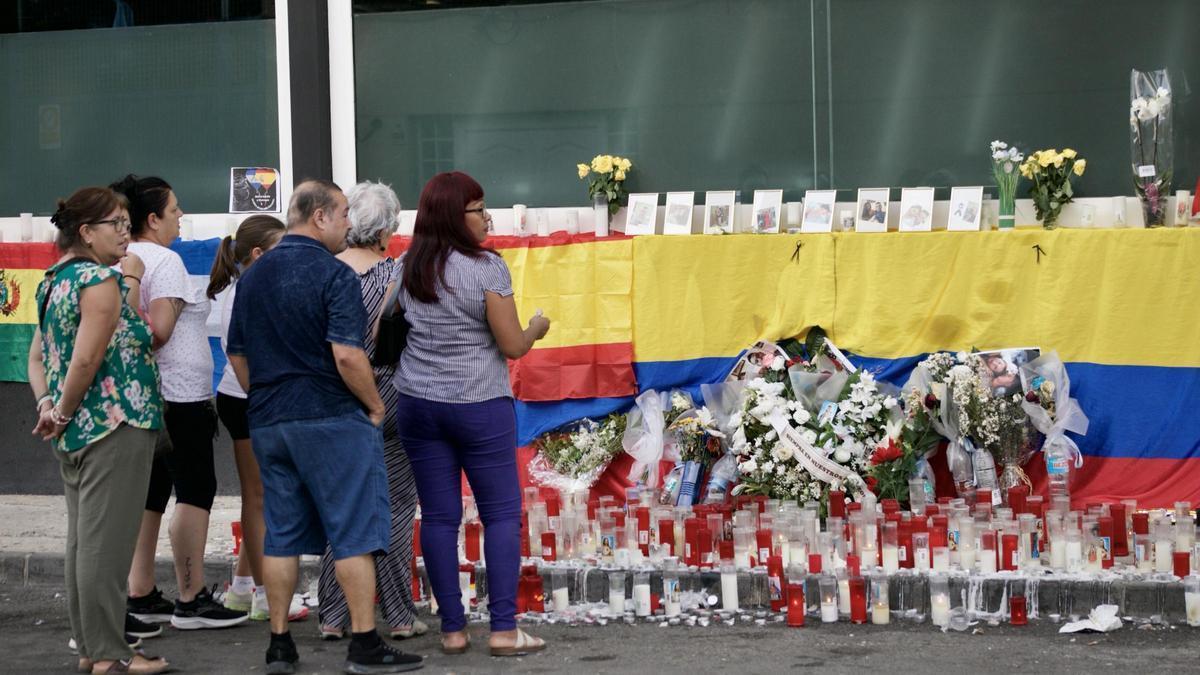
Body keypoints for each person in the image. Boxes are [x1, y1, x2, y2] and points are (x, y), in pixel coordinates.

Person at [227, 180, 423, 674]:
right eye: (340, 216)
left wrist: (266, 395)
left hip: (270, 421)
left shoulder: (253, 274)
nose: (346, 226)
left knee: (283, 535)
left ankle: (279, 643)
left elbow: (237, 352)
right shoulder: (333, 275)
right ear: (318, 217)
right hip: (331, 418)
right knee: (354, 531)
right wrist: (374, 406)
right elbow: (347, 353)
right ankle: (363, 642)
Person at [390, 171, 549, 657]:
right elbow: (512, 344)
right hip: (479, 404)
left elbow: (385, 330)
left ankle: (453, 631)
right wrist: (537, 327)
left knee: (439, 518)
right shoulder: (486, 267)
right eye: (479, 208)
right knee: (502, 515)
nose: (487, 217)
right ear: (454, 216)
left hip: (418, 403)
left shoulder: (407, 265)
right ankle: (503, 629)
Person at [27, 187, 169, 675]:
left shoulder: (54, 280)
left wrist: (50, 406)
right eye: (116, 224)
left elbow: (39, 357)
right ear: (86, 232)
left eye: (128, 222)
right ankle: (110, 654)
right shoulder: (98, 282)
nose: (126, 231)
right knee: (105, 551)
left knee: (83, 545)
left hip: (77, 431)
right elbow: (86, 358)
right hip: (115, 424)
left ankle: (93, 649)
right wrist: (62, 410)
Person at [111, 175, 247, 631]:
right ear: (152, 219)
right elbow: (160, 330)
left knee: (151, 494)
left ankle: (141, 590)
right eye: (174, 210)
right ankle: (190, 596)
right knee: (196, 490)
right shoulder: (163, 260)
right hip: (180, 396)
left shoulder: (122, 259)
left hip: (147, 396)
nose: (181, 216)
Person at [317, 182, 424, 641]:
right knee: (397, 505)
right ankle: (399, 615)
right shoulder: (395, 275)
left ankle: (333, 615)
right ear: (385, 231)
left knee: (339, 506)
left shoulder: (325, 273)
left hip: (335, 398)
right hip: (390, 392)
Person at [206, 215, 309, 623]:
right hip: (247, 400)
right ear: (259, 254)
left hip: (249, 397)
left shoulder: (254, 285)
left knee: (260, 495)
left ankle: (243, 586)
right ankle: (267, 595)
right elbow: (238, 355)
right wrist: (265, 400)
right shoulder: (244, 291)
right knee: (260, 497)